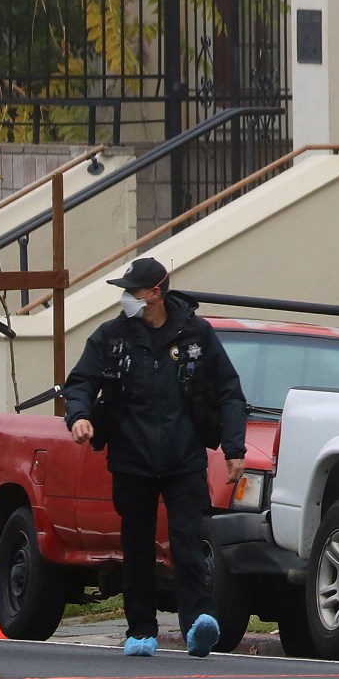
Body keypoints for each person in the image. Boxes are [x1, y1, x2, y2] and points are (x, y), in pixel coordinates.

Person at [62, 256, 247, 657]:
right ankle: (141, 629)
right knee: (138, 545)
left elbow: (229, 392)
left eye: (132, 291)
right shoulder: (112, 337)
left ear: (155, 293)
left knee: (188, 540)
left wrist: (235, 448)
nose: (126, 298)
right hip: (132, 459)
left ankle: (198, 622)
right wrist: (79, 417)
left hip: (184, 459)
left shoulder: (197, 336)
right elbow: (81, 382)